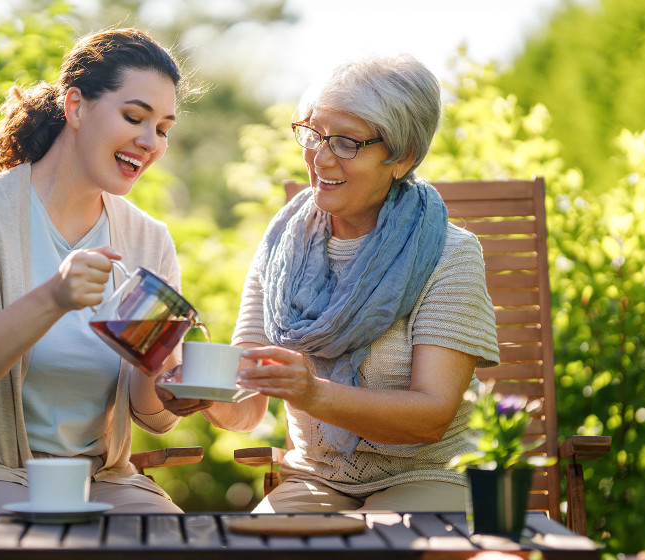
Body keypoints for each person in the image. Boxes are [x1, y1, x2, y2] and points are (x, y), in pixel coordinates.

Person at [0, 28, 208, 560]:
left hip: (97, 486)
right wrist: (53, 297)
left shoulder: (149, 240)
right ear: (76, 106)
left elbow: (151, 412)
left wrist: (171, 388)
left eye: (163, 128)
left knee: (197, 548)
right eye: (134, 117)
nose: (151, 142)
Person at [204, 53, 500, 513]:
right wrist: (199, 391)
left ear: (402, 156)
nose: (320, 158)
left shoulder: (449, 254)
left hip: (431, 474)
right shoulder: (283, 245)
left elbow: (432, 418)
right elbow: (246, 408)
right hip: (316, 479)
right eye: (313, 134)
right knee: (255, 547)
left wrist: (314, 393)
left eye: (345, 142)